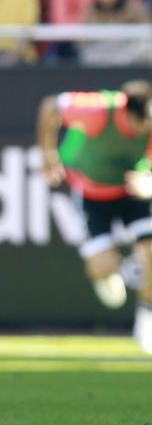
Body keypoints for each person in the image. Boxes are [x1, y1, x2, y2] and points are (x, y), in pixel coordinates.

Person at [37, 81, 152, 352]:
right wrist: (48, 153)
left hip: (134, 193)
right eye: (144, 123)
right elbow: (50, 106)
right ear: (130, 115)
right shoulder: (99, 110)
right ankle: (105, 270)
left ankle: (147, 318)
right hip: (93, 195)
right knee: (103, 267)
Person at [78, 0, 151, 66]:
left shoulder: (134, 7)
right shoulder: (91, 11)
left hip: (129, 55)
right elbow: (82, 43)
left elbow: (146, 36)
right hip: (102, 55)